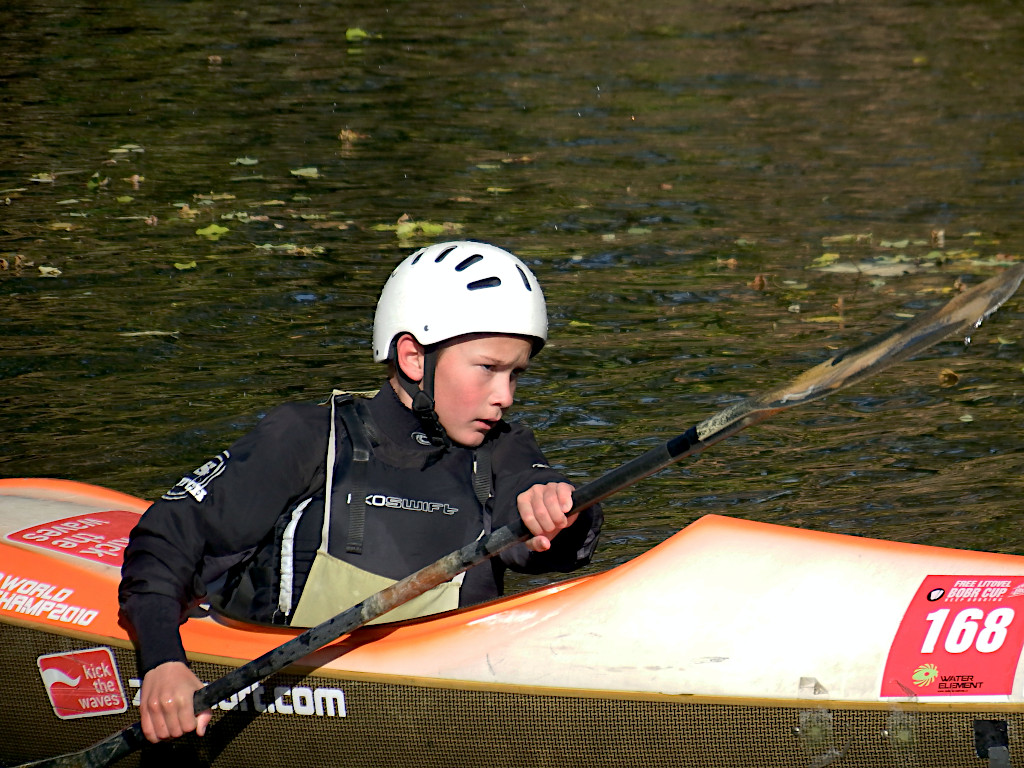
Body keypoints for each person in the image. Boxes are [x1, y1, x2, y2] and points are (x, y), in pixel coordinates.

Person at [118, 240, 603, 744]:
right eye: (487, 368)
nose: (505, 396)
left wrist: (559, 512)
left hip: (438, 708)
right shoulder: (307, 438)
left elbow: (536, 514)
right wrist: (163, 663)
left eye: (515, 374)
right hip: (290, 704)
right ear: (413, 357)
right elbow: (166, 542)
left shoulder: (504, 451)